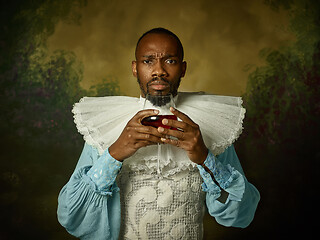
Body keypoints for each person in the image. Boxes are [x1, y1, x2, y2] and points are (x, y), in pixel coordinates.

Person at [57, 27, 260, 240]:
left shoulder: (209, 127)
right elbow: (70, 214)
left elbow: (241, 215)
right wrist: (114, 153)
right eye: (148, 61)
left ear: (183, 69)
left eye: (170, 61)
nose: (159, 71)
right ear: (135, 68)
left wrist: (205, 159)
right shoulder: (106, 127)